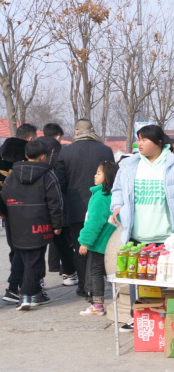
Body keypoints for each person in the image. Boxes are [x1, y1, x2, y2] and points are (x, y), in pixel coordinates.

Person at [111, 125, 174, 332]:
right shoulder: (129, 166)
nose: (139, 144)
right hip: (136, 234)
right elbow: (117, 190)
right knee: (136, 276)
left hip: (166, 235)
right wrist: (116, 206)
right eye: (138, 139)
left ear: (159, 143)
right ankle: (138, 316)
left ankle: (162, 316)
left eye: (144, 140)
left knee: (162, 278)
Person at [0, 140, 62, 310]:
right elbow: (55, 202)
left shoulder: (13, 175)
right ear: (44, 156)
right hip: (40, 224)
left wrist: (11, 213)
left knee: (27, 258)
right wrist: (57, 224)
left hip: (16, 223)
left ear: (26, 155)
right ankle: (27, 295)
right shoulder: (48, 175)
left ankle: (36, 294)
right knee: (35, 260)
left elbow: (4, 195)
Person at [56, 118, 114, 298]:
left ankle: (84, 286)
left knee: (80, 247)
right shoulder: (105, 150)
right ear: (92, 130)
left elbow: (61, 182)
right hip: (103, 205)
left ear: (76, 131)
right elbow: (113, 176)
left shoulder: (66, 152)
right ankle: (97, 284)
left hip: (76, 207)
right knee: (100, 247)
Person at [1, 124, 37, 303]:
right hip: (23, 209)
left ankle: (19, 284)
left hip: (6, 210)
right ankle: (17, 286)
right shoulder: (27, 157)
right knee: (24, 249)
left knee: (14, 248)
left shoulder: (2, 153)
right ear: (31, 139)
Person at [78, 161, 118, 315]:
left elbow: (94, 222)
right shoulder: (113, 195)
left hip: (100, 243)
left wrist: (85, 242)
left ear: (107, 176)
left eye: (99, 173)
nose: (95, 176)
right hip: (113, 242)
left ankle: (97, 305)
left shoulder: (100, 196)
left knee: (95, 272)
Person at [38, 123, 77, 284]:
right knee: (62, 240)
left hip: (35, 206)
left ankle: (38, 278)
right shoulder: (62, 153)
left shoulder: (32, 149)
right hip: (59, 202)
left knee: (37, 245)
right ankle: (68, 273)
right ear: (59, 136)